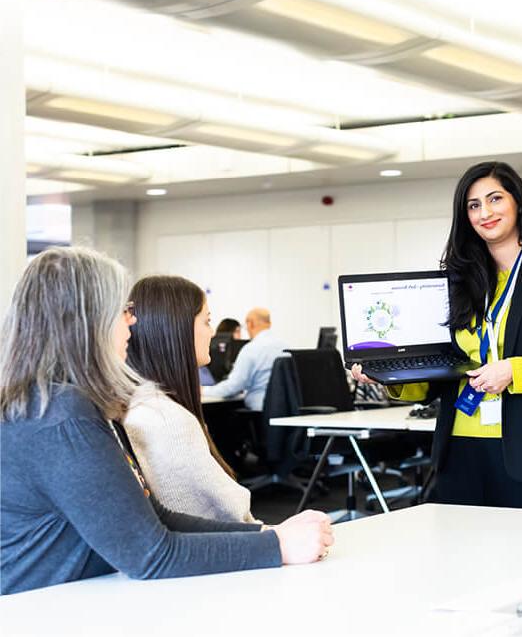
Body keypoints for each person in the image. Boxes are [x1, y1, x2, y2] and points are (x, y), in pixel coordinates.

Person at [0, 247, 333, 596]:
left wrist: (269, 536)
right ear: (85, 320)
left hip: (77, 598)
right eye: (122, 310)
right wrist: (277, 547)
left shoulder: (76, 404)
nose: (131, 320)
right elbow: (150, 554)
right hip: (39, 612)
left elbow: (153, 518)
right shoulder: (61, 418)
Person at [353, 161, 522, 509]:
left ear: (518, 203)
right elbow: (445, 369)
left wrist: (514, 370)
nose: (485, 212)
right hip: (460, 447)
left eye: (495, 199)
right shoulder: (456, 279)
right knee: (462, 557)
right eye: (474, 205)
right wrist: (389, 375)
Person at [124, 276, 256, 523]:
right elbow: (235, 516)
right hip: (224, 553)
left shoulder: (141, 405)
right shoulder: (170, 420)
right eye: (207, 322)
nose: (212, 333)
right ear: (178, 329)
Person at [202, 308, 287, 412]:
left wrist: (203, 390)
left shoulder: (251, 349)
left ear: (250, 324)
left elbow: (233, 386)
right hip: (284, 409)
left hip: (259, 412)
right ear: (269, 323)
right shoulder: (285, 346)